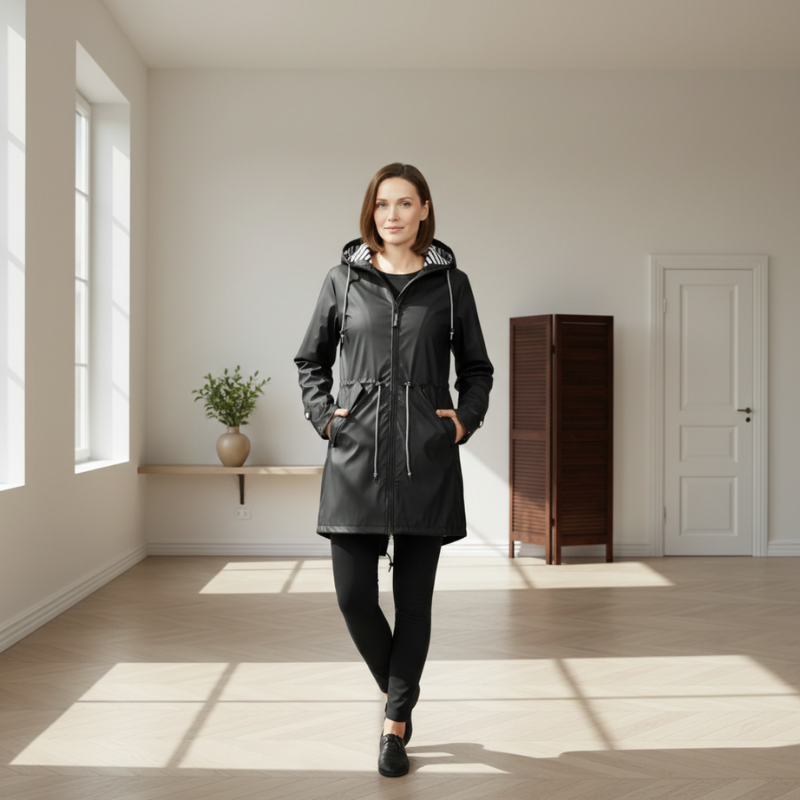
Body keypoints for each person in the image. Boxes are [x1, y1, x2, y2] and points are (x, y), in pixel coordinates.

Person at [295, 163, 493, 778]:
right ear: (371, 211)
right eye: (383, 204)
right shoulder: (342, 282)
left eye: (406, 203)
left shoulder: (452, 286)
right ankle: (401, 690)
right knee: (354, 598)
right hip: (356, 459)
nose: (393, 215)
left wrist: (462, 422)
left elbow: (478, 369)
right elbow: (311, 361)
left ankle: (394, 727)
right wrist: (328, 418)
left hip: (424, 462)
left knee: (414, 606)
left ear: (425, 210)